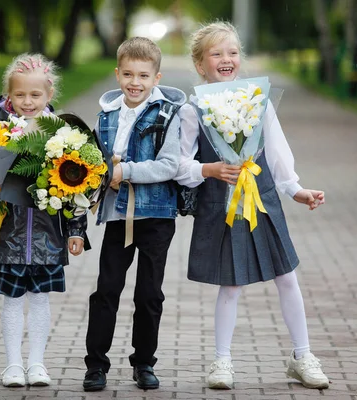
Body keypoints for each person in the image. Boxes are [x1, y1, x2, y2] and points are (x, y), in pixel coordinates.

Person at [175, 22, 330, 390]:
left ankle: (302, 356)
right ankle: (222, 362)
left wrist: (296, 190)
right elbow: (180, 165)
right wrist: (207, 168)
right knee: (230, 284)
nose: (226, 59)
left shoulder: (258, 100)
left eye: (232, 52)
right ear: (200, 64)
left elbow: (276, 153)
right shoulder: (192, 109)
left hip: (262, 200)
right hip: (221, 203)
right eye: (216, 54)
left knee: (287, 276)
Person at [0, 53, 88, 388]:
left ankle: (37, 363)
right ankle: (12, 365)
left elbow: (79, 186)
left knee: (39, 299)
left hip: (48, 235)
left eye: (35, 95)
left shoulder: (64, 134)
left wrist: (77, 231)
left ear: (49, 95)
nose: (27, 101)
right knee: (12, 299)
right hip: (8, 233)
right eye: (20, 95)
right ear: (9, 96)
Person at [82, 37, 184, 392]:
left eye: (143, 75)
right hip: (116, 214)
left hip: (156, 216)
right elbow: (95, 162)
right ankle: (96, 365)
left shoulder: (169, 114)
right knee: (107, 289)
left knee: (149, 294)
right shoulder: (107, 114)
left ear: (156, 77)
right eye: (128, 74)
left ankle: (144, 363)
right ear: (117, 74)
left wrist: (127, 173)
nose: (135, 82)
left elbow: (169, 165)